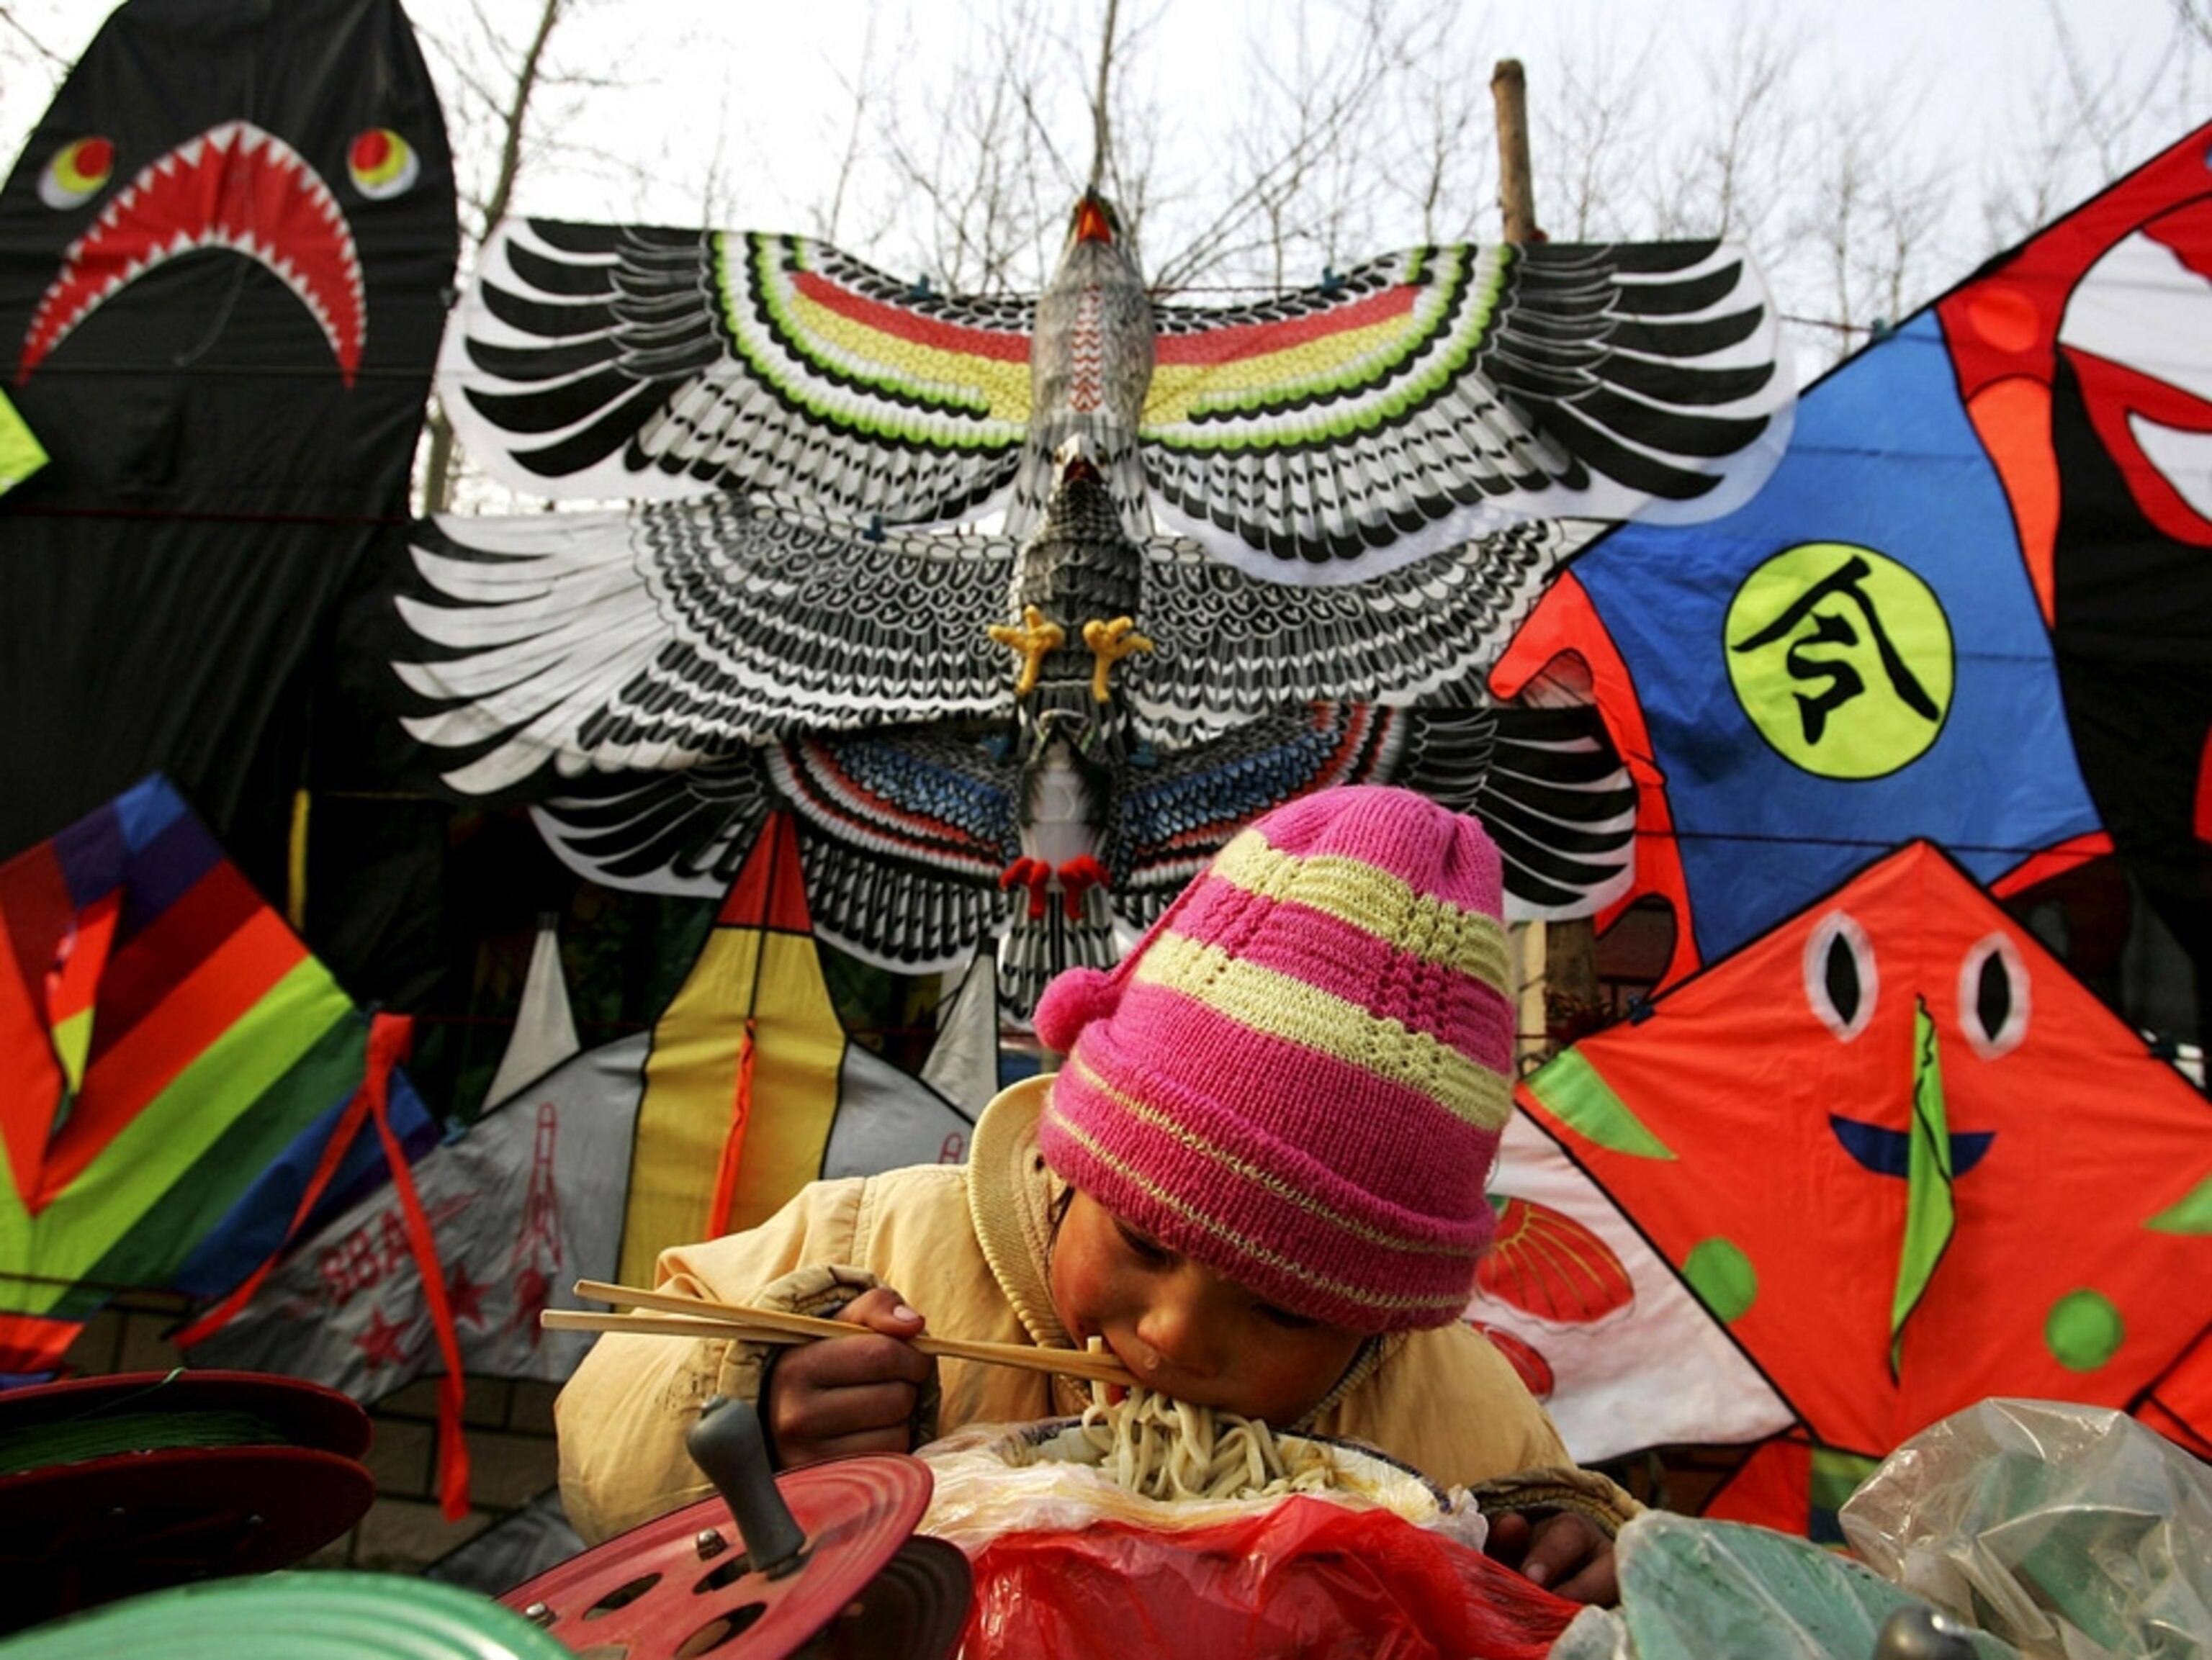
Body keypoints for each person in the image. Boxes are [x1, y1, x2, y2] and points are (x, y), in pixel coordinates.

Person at [556, 785, 1635, 1603]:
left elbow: (1564, 1563)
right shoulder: (882, 1238)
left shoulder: (1456, 1405)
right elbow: (597, 1464)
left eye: (1286, 1307)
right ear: (1079, 1165)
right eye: (1143, 1239)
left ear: (1385, 1310)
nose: (1172, 1337)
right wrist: (754, 1400)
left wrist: (1571, 1541)